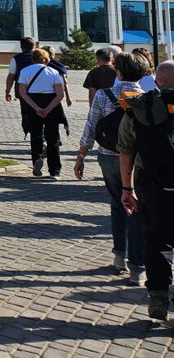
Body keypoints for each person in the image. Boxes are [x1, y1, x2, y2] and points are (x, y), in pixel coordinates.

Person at [74, 50, 150, 286]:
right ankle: (138, 268)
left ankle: (120, 257)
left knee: (118, 204)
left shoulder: (104, 95)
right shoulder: (148, 96)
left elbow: (91, 125)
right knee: (137, 209)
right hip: (138, 159)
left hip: (108, 155)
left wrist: (81, 155)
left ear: (118, 71)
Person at [119, 60, 174, 321]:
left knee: (156, 238)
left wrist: (126, 187)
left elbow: (125, 149)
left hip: (150, 183)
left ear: (156, 80)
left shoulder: (139, 106)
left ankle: (158, 295)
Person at [17, 47, 67, 179]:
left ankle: (37, 160)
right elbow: (60, 94)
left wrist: (36, 108)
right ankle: (54, 170)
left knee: (36, 135)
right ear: (46, 59)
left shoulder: (25, 71)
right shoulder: (53, 72)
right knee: (53, 137)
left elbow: (22, 92)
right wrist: (47, 109)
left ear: (33, 59)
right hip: (52, 104)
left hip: (33, 104)